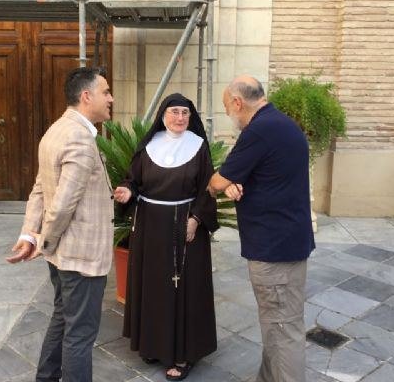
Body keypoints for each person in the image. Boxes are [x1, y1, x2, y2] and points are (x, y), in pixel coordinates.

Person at [6, 66, 114, 382]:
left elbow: (40, 188)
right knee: (80, 335)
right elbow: (63, 202)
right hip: (81, 258)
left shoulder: (55, 130)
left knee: (62, 319)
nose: (110, 98)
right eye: (105, 91)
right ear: (86, 96)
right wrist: (43, 240)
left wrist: (30, 233)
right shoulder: (79, 137)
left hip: (62, 256)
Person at [208, 76, 315, 382]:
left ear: (238, 103)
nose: (229, 114)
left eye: (227, 107)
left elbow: (217, 182)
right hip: (286, 242)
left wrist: (217, 182)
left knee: (283, 330)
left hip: (275, 250)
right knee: (276, 325)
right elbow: (266, 173)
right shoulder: (281, 124)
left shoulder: (259, 131)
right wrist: (240, 180)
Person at [113, 93, 218, 381]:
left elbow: (207, 189)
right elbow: (132, 179)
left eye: (185, 113)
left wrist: (196, 219)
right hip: (149, 226)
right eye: (174, 112)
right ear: (163, 115)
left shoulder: (198, 147)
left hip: (184, 226)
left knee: (183, 289)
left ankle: (183, 353)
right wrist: (127, 191)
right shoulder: (149, 146)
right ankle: (153, 344)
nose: (180, 118)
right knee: (154, 286)